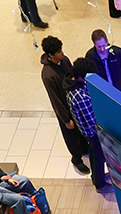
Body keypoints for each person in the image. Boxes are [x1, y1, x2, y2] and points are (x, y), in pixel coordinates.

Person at [40, 36, 90, 174]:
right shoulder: (48, 75)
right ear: (51, 55)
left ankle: (85, 148)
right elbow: (55, 99)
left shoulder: (65, 60)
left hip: (75, 103)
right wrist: (66, 119)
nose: (62, 53)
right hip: (65, 109)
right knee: (71, 135)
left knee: (81, 129)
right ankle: (76, 158)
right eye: (59, 52)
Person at [65, 59, 108, 189]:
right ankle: (99, 182)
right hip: (92, 132)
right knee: (98, 156)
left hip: (86, 130)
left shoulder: (70, 83)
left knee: (94, 154)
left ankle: (96, 177)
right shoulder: (80, 96)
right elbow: (91, 121)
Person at [85, 29, 121, 95]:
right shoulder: (90, 56)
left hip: (120, 92)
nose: (102, 49)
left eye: (104, 45)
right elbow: (89, 77)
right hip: (103, 94)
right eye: (99, 47)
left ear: (107, 42)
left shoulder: (117, 52)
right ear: (94, 44)